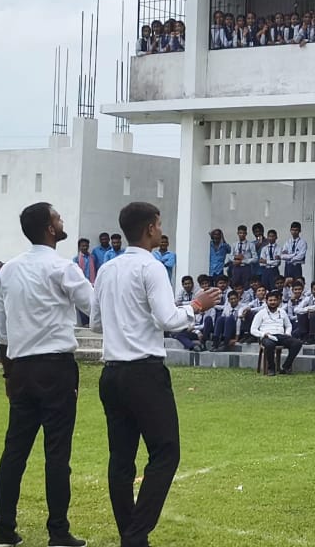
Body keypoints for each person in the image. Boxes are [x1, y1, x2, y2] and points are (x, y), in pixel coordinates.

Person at [90, 202, 221, 547]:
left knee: (121, 459)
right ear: (149, 228)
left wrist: (128, 319)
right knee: (165, 452)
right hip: (144, 373)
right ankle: (136, 535)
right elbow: (168, 319)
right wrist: (196, 306)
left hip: (112, 372)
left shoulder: (107, 269)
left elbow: (96, 323)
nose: (162, 231)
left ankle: (130, 533)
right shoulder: (152, 267)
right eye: (159, 225)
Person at [0, 203, 94, 547]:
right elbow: (94, 307)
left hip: (20, 368)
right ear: (50, 229)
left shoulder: (8, 271)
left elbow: (2, 332)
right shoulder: (63, 267)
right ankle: (58, 532)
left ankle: (3, 531)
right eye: (58, 217)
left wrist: (8, 375)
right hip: (56, 368)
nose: (62, 221)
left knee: (14, 451)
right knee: (57, 453)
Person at [251, 290, 302, 375]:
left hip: (281, 336)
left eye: (274, 300)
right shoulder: (261, 313)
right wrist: (263, 334)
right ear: (266, 301)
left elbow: (288, 325)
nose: (273, 302)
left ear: (278, 301)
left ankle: (285, 367)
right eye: (270, 300)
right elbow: (253, 330)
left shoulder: (282, 312)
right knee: (269, 345)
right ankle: (271, 368)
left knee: (297, 343)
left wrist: (288, 333)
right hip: (267, 337)